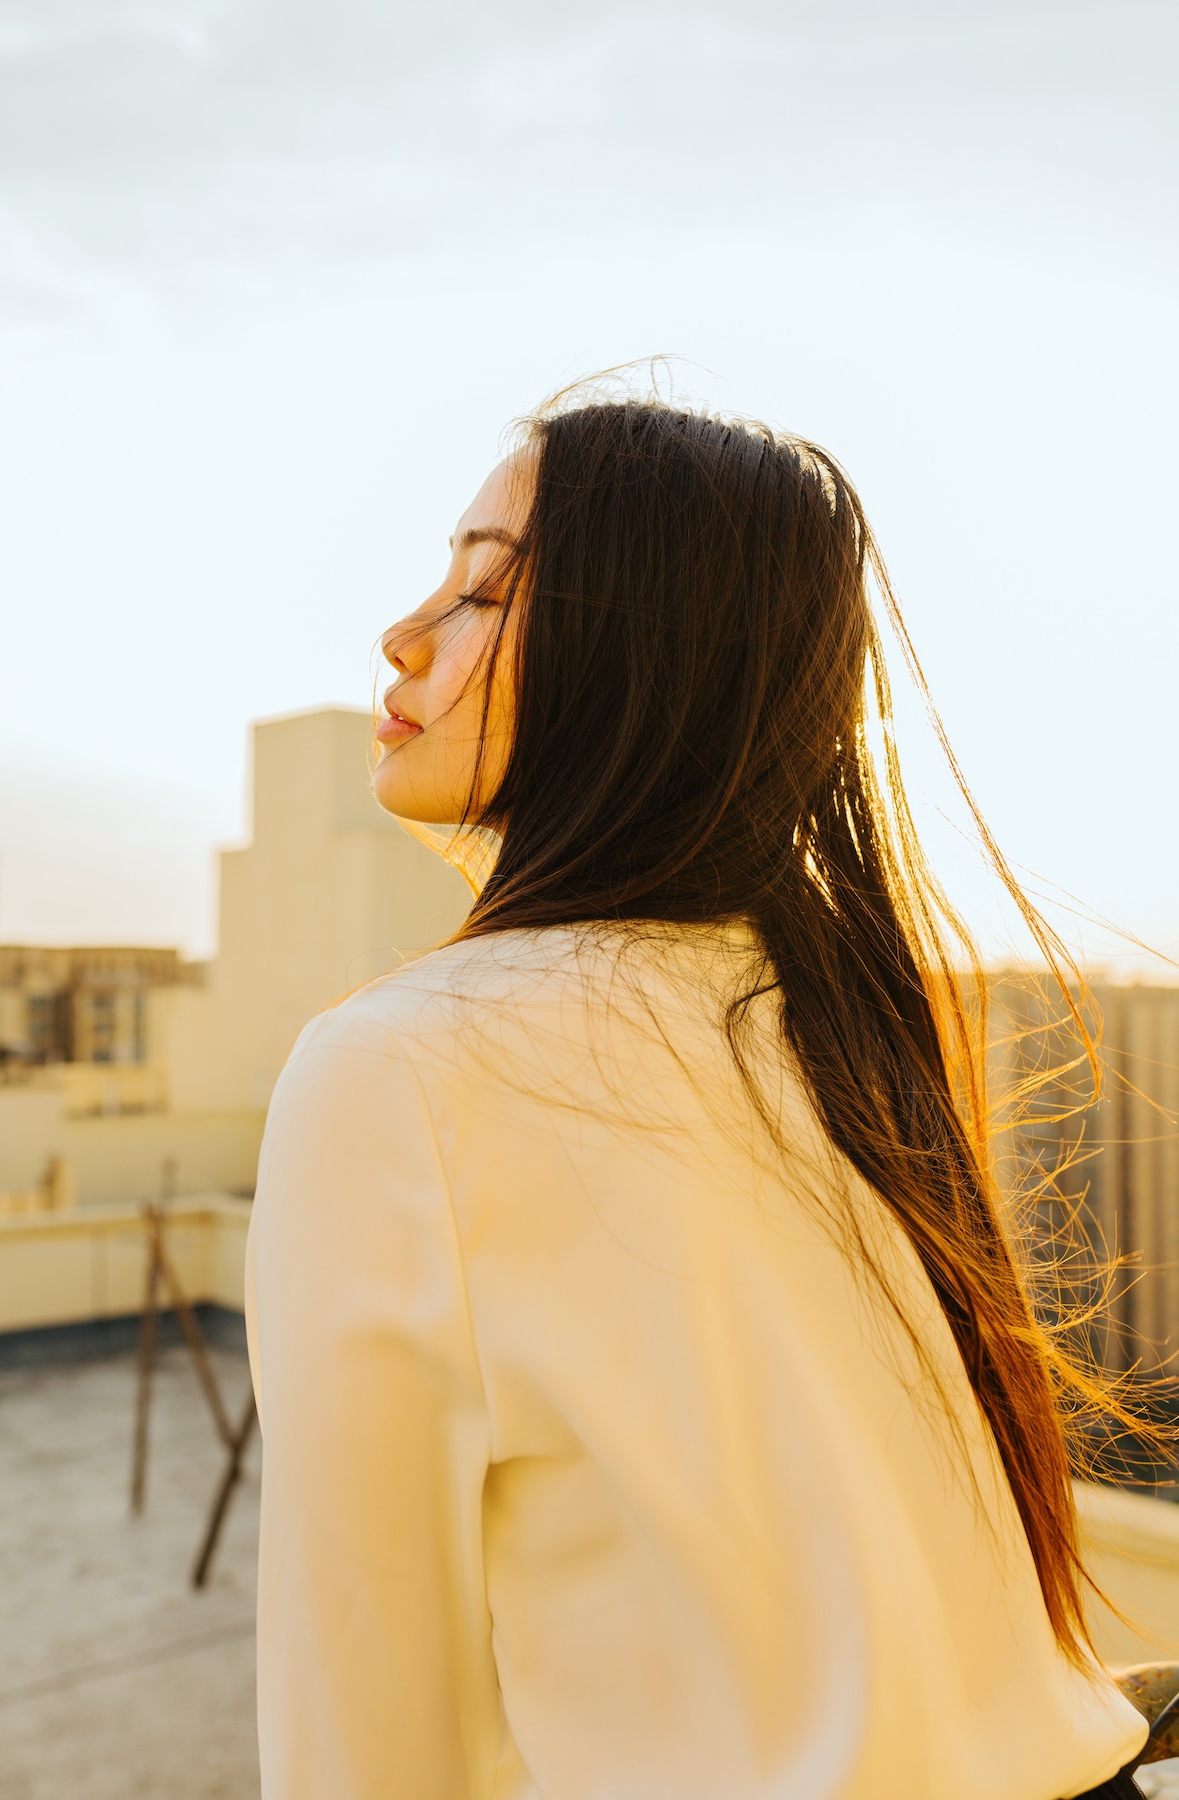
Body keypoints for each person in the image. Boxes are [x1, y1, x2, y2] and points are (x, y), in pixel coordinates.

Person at [245, 391, 1152, 1799]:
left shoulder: (399, 1066)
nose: (404, 631)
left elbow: (368, 1741)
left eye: (485, 586)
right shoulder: (844, 1009)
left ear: (642, 653)